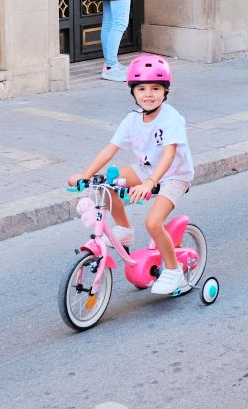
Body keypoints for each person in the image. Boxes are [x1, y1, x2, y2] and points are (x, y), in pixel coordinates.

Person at [67, 54, 196, 295]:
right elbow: (110, 149)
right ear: (133, 92)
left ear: (165, 91)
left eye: (156, 88)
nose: (149, 94)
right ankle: (124, 230)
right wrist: (84, 175)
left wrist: (149, 183)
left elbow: (168, 155)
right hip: (146, 170)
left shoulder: (172, 119)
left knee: (153, 223)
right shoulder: (132, 120)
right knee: (105, 183)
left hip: (174, 175)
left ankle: (174, 272)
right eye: (142, 89)